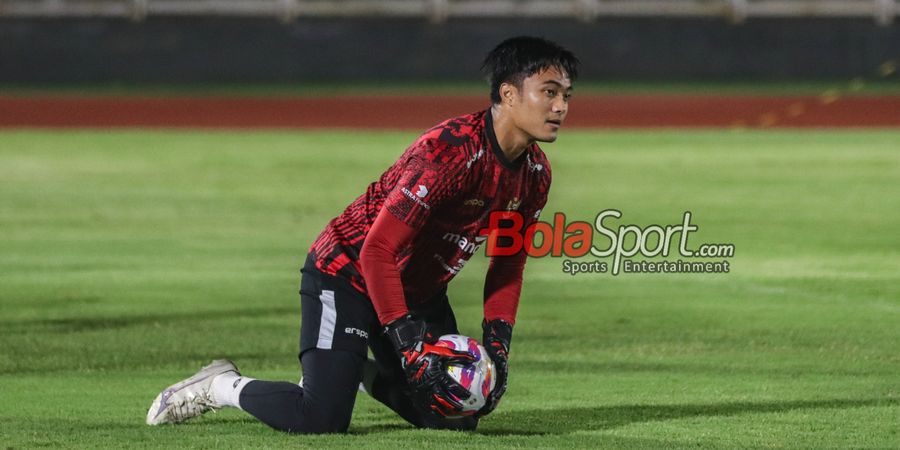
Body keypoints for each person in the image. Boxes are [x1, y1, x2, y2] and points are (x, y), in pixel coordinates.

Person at [146, 36, 578, 433]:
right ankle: (221, 385)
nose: (560, 107)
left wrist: (498, 348)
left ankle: (354, 375)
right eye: (550, 92)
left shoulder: (535, 174)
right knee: (319, 419)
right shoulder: (449, 152)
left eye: (566, 96)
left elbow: (507, 267)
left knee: (454, 417)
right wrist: (408, 346)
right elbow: (378, 250)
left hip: (416, 292)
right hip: (348, 274)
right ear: (508, 93)